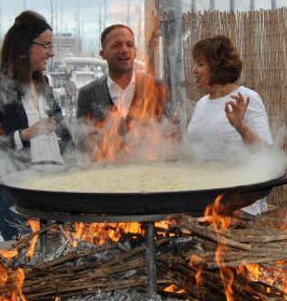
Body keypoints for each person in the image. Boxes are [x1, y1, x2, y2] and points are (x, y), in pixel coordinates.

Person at [0, 10, 73, 241]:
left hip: (56, 192)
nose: (51, 53)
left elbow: (65, 138)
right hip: (15, 194)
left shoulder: (45, 87)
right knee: (25, 263)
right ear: (24, 47)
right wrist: (23, 135)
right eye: (46, 46)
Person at [184, 35, 272, 215]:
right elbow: (198, 152)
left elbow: (266, 154)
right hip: (204, 203)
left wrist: (241, 127)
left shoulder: (247, 98)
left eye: (201, 64)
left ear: (218, 67)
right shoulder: (201, 103)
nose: (194, 70)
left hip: (239, 206)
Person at [76, 23, 167, 160]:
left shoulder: (155, 87)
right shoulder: (88, 93)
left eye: (129, 45)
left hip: (148, 172)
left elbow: (169, 132)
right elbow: (82, 142)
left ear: (135, 52)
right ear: (103, 54)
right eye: (116, 45)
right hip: (105, 174)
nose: (124, 50)